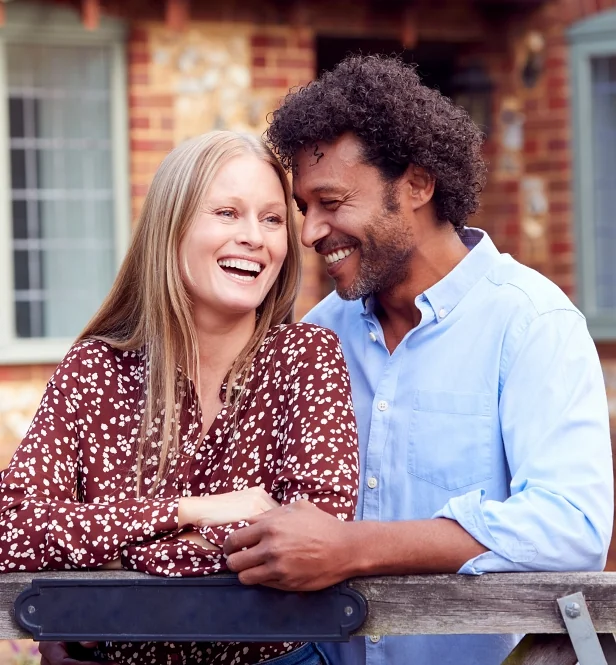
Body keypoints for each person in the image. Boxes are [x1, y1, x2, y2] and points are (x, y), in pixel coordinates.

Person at [219, 55, 615, 665]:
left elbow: (571, 529)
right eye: (304, 208)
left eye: (331, 201)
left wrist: (355, 548)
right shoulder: (318, 335)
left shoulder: (534, 324)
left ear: (417, 184)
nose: (309, 233)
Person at [0, 131, 359, 665]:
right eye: (227, 213)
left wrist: (111, 554)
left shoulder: (305, 357)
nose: (254, 238)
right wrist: (191, 512)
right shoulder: (97, 369)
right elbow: (15, 530)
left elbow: (318, 527)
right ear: (171, 228)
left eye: (271, 219)